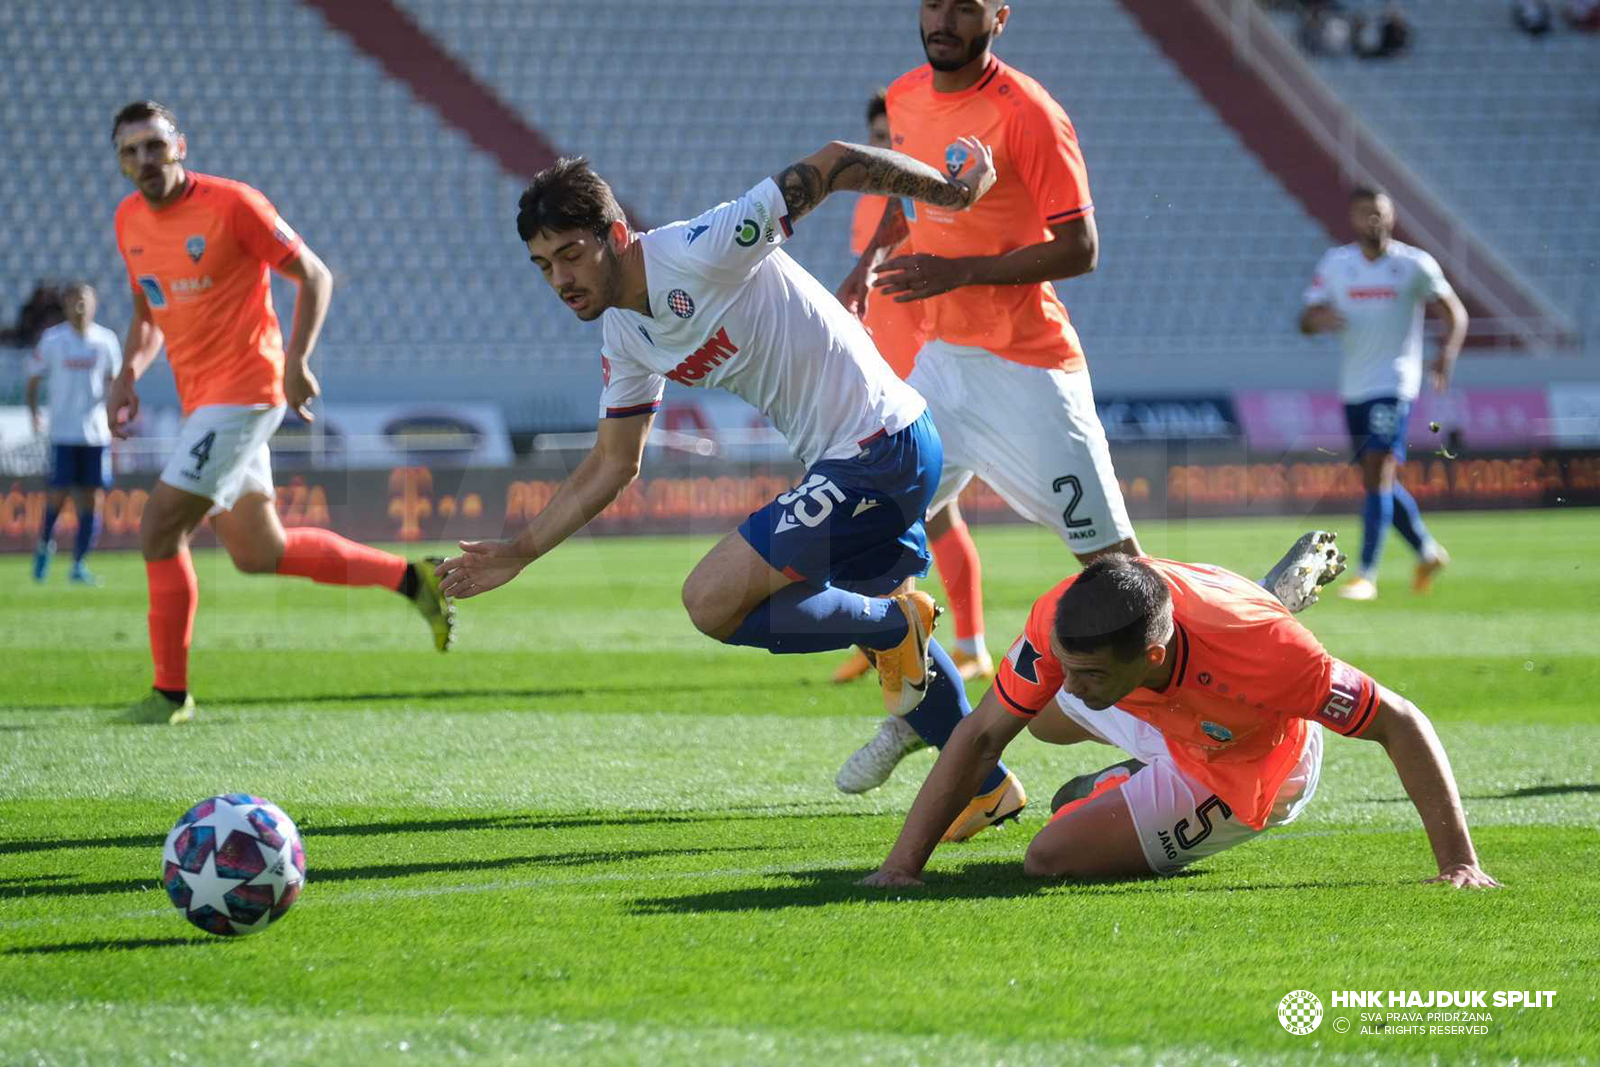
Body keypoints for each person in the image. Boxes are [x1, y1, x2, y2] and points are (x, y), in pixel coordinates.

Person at [434, 138, 1032, 841]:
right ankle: (985, 786)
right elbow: (612, 463)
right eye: (544, 265)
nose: (560, 277)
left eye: (571, 253)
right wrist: (520, 550)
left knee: (712, 599)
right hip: (858, 460)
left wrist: (952, 194)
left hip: (880, 447)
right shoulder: (625, 335)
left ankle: (894, 623)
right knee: (883, 645)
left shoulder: (702, 245)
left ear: (615, 235)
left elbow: (836, 162)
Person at [834, 0, 1141, 793]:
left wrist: (961, 273)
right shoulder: (904, 97)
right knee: (858, 543)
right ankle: (929, 714)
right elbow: (908, 205)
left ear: (998, 16)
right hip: (941, 364)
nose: (943, 18)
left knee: (1115, 572)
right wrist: (866, 266)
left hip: (1027, 368)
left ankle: (1168, 741)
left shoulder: (1030, 113)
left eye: (964, 6)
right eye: (933, 3)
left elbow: (1082, 247)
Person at [106, 101, 454, 725]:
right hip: (202, 402)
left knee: (159, 529)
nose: (143, 161)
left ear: (179, 145)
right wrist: (129, 372)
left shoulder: (233, 205)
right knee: (256, 553)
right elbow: (145, 312)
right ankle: (410, 579)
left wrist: (296, 361)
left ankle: (169, 696)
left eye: (154, 146)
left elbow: (313, 275)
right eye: (129, 152)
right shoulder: (129, 219)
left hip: (246, 390)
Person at [861, 553, 1499, 890]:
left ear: (1153, 653)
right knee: (1042, 717)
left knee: (1050, 858)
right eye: (1066, 665)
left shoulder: (1276, 656)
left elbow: (1401, 721)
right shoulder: (1062, 616)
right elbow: (980, 734)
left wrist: (1458, 863)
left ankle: (1122, 786)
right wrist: (901, 866)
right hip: (1164, 703)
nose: (1071, 680)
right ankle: (1140, 770)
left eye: (1086, 673)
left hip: (1251, 761)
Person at [832, 88, 994, 699]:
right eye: (875, 138)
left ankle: (945, 643)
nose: (882, 149)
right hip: (877, 370)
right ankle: (894, 640)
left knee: (913, 511)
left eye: (891, 139)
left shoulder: (923, 200)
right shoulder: (866, 206)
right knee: (913, 512)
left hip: (920, 374)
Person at [1300, 185, 1468, 601]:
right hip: (1353, 387)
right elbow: (1304, 319)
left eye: (1380, 212)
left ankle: (1366, 575)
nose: (1373, 220)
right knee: (1378, 480)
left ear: (1391, 216)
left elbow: (1455, 312)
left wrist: (1445, 354)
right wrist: (1318, 318)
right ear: (1352, 219)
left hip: (1394, 383)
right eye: (1365, 213)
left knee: (1379, 473)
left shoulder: (1413, 265)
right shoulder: (1337, 265)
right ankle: (1427, 551)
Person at [26, 282, 120, 585]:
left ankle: (79, 564)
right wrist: (34, 412)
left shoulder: (106, 341)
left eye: (84, 300)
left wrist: (115, 416)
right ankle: (44, 546)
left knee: (93, 500)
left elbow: (114, 383)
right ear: (65, 305)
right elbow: (33, 379)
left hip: (95, 435)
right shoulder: (53, 341)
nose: (79, 305)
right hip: (63, 433)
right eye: (74, 300)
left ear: (94, 304)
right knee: (57, 495)